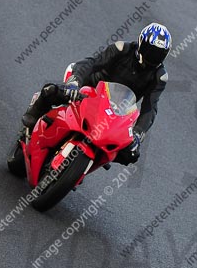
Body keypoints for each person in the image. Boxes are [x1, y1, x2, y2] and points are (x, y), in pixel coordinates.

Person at [21, 22, 171, 165]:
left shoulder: (159, 76)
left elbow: (150, 107)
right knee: (52, 91)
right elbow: (91, 63)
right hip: (89, 89)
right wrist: (75, 84)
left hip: (116, 109)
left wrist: (138, 133)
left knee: (131, 154)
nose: (153, 57)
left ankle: (92, 160)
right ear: (141, 43)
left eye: (158, 54)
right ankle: (34, 116)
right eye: (151, 51)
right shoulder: (121, 49)